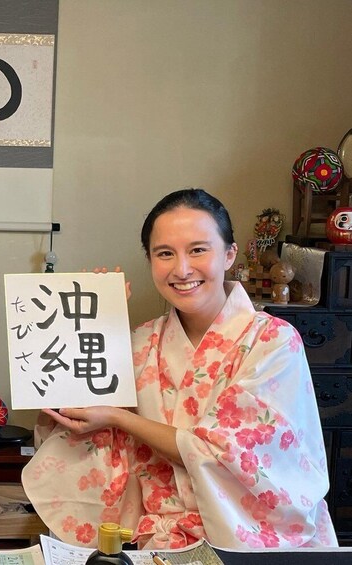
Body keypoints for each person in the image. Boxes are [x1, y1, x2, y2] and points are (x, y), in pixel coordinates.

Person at [22, 188, 337, 550]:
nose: (182, 269)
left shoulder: (272, 342)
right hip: (157, 543)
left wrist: (119, 417)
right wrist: (93, 327)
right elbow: (80, 430)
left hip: (250, 543)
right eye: (165, 254)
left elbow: (223, 454)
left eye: (198, 250)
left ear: (229, 254)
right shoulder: (138, 343)